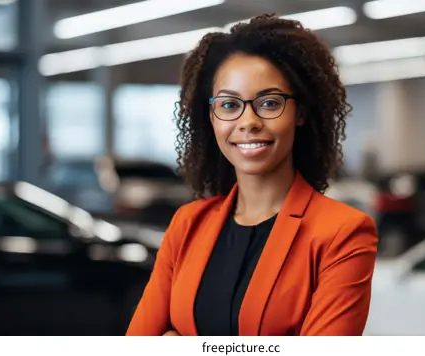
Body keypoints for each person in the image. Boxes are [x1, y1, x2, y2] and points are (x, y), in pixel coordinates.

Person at [126, 13, 378, 336]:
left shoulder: (342, 235)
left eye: (269, 103)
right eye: (229, 105)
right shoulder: (187, 226)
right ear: (212, 117)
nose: (248, 122)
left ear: (300, 112)